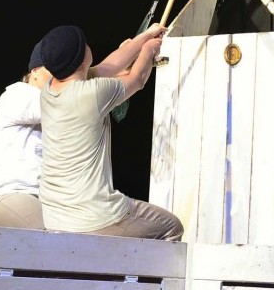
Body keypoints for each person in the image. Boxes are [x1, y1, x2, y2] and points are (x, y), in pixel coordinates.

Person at [38, 22, 184, 241]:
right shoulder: (92, 93)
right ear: (82, 58)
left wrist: (146, 35)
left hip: (55, 218)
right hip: (94, 216)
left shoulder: (49, 89)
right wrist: (149, 50)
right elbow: (137, 79)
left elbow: (108, 66)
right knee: (172, 227)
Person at [0, 40, 51, 229]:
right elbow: (69, 100)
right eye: (54, 70)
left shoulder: (59, 109)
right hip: (2, 197)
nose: (60, 78)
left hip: (41, 201)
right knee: (53, 235)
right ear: (35, 71)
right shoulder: (18, 94)